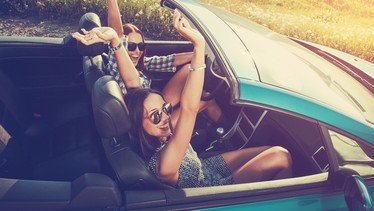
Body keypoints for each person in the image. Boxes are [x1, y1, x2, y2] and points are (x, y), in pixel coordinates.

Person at [73, 9, 293, 188]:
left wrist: (114, 39)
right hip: (211, 188)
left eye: (165, 109)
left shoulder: (155, 134)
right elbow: (188, 109)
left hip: (203, 166)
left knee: (267, 148)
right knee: (280, 156)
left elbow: (132, 82)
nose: (166, 118)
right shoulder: (165, 164)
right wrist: (198, 47)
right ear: (138, 123)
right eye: (156, 116)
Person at [106, 0, 224, 128]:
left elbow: (169, 60)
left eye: (141, 46)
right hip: (149, 121)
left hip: (154, 103)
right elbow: (116, 35)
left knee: (187, 70)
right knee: (207, 101)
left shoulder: (140, 63)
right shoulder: (116, 64)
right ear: (122, 47)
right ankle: (232, 132)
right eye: (131, 46)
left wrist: (203, 52)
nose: (137, 51)